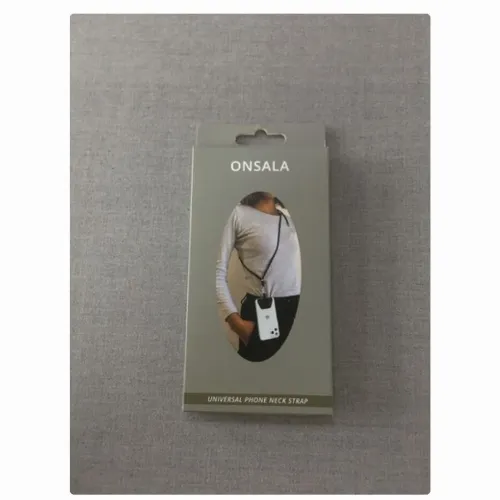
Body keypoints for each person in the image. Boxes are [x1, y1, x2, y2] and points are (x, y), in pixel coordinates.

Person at [216, 191, 301, 362]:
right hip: (264, 312)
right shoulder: (238, 213)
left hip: (298, 310)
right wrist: (236, 323)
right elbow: (217, 272)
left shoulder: (287, 215)